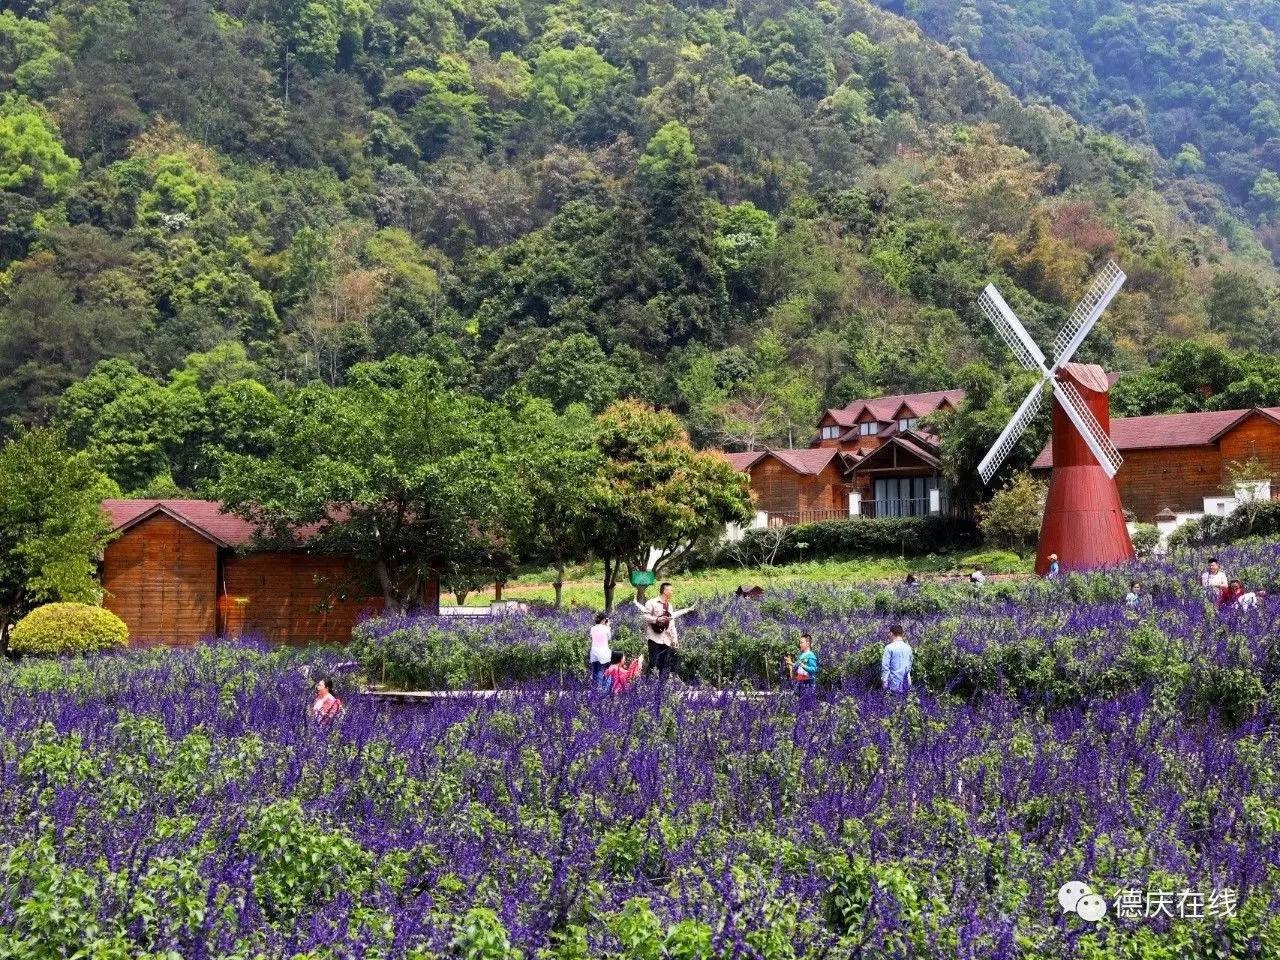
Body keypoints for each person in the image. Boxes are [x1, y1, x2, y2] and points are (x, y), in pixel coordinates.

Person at [639, 582, 694, 681]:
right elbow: (645, 617)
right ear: (665, 591)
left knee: (665, 663)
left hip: (666, 639)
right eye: (671, 590)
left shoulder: (670, 606)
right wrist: (657, 619)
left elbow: (671, 624)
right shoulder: (652, 603)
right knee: (653, 662)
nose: (672, 592)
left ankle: (662, 686)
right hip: (654, 637)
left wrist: (675, 638)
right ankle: (647, 684)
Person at [881, 624, 913, 695]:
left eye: (889, 633)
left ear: (891, 633)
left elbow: (885, 667)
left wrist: (885, 682)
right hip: (906, 684)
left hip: (893, 685)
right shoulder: (908, 648)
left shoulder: (889, 648)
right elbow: (910, 666)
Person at [588, 612, 613, 689]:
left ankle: (595, 690)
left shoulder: (592, 628)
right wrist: (608, 626)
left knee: (595, 671)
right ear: (603, 620)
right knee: (605, 672)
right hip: (604, 654)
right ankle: (603, 690)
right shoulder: (606, 628)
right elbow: (609, 638)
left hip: (594, 653)